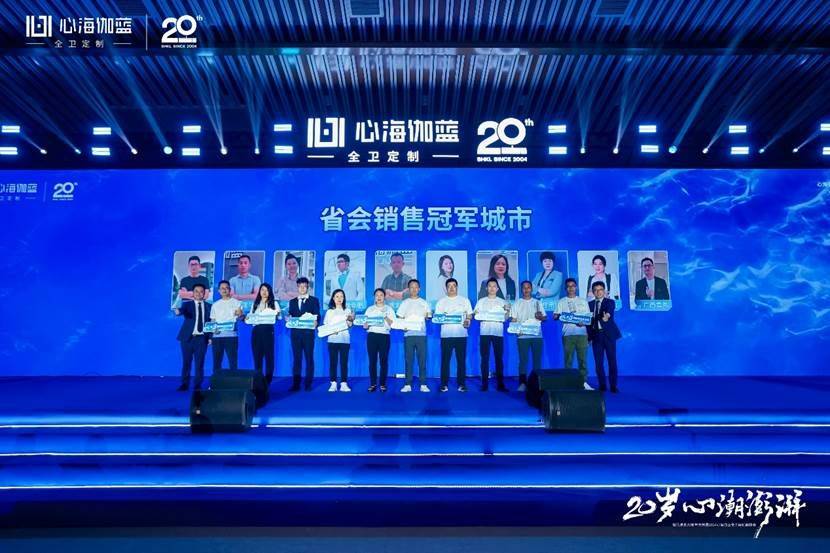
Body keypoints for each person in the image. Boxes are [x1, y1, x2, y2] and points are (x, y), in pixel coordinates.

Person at [435, 278, 473, 392]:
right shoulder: (441, 302)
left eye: (454, 286)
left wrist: (468, 320)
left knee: (461, 361)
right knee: (445, 361)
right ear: (446, 288)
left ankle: (461, 384)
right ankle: (443, 384)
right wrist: (443, 317)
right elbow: (437, 318)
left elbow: (469, 315)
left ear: (457, 287)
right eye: (449, 286)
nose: (451, 288)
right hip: (446, 335)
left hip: (461, 335)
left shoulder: (464, 300)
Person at [553, 278, 591, 388]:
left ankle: (583, 382)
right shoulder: (561, 301)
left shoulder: (583, 301)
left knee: (582, 360)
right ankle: (568, 382)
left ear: (576, 287)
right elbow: (555, 316)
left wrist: (584, 323)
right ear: (565, 288)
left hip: (582, 334)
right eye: (568, 286)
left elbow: (588, 318)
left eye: (573, 286)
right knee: (568, 360)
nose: (571, 288)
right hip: (567, 334)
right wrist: (558, 316)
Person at [474, 278, 510, 391]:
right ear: (486, 288)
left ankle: (500, 384)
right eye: (490, 286)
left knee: (499, 358)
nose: (492, 288)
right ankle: (484, 384)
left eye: (494, 286)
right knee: (484, 358)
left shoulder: (503, 302)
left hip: (498, 333)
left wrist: (508, 311)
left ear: (497, 288)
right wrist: (477, 314)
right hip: (484, 333)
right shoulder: (481, 301)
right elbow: (476, 315)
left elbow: (506, 318)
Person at [510, 280, 547, 392]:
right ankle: (522, 383)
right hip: (522, 337)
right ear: (521, 290)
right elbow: (513, 319)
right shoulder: (517, 303)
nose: (526, 290)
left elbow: (544, 318)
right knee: (523, 361)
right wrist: (516, 331)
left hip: (537, 336)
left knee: (537, 361)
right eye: (524, 288)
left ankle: (537, 384)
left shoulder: (537, 302)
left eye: (528, 287)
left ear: (531, 289)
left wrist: (541, 317)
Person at [396, 279, 431, 392]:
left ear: (419, 289)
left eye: (416, 287)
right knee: (408, 360)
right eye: (412, 287)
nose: (414, 289)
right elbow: (399, 318)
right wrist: (403, 325)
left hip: (421, 335)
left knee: (422, 360)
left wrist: (428, 316)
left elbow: (428, 316)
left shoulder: (424, 303)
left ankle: (423, 384)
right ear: (408, 289)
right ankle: (408, 384)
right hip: (408, 335)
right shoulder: (405, 303)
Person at [174, 283, 211, 391]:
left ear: (204, 293)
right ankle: (184, 383)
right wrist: (177, 312)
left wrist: (210, 337)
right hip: (187, 338)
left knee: (200, 363)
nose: (199, 293)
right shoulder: (187, 305)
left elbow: (211, 323)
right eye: (196, 291)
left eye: (201, 291)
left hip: (202, 338)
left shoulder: (209, 306)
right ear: (193, 293)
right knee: (186, 362)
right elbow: (180, 311)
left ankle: (197, 384)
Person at [588, 281, 622, 393]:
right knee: (598, 363)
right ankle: (602, 385)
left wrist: (606, 316)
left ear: (604, 291)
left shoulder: (610, 302)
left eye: (600, 289)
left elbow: (609, 312)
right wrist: (589, 338)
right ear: (593, 292)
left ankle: (613, 385)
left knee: (612, 361)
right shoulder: (589, 304)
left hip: (608, 335)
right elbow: (588, 322)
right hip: (596, 336)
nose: (598, 292)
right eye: (596, 290)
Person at [288, 277, 320, 391]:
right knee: (297, 359)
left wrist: (316, 321)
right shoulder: (292, 302)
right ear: (297, 287)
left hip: (308, 334)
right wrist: (288, 319)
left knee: (309, 358)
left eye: (304, 286)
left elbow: (317, 315)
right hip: (295, 335)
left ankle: (308, 384)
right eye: (300, 286)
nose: (302, 288)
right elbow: (291, 316)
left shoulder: (314, 300)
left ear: (308, 288)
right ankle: (296, 384)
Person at [364, 288, 395, 392]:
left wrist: (385, 317)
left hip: (384, 336)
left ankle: (382, 384)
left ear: (384, 297)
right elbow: (365, 324)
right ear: (374, 297)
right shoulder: (370, 309)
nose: (379, 297)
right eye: (377, 295)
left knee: (383, 361)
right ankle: (373, 384)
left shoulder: (389, 309)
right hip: (372, 336)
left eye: (381, 295)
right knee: (372, 361)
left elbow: (393, 324)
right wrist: (365, 325)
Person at [249, 283, 280, 385]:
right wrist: (246, 318)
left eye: (267, 290)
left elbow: (279, 317)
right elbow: (251, 318)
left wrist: (276, 314)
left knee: (269, 356)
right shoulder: (255, 303)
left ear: (269, 292)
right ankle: (258, 378)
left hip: (268, 330)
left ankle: (268, 379)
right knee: (257, 356)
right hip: (256, 331)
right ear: (259, 291)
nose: (264, 292)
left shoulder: (274, 303)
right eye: (262, 290)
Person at [210, 280, 244, 372]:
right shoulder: (215, 305)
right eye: (222, 288)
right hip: (217, 336)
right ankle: (216, 380)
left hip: (231, 336)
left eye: (226, 288)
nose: (224, 290)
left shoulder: (237, 303)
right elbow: (213, 321)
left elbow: (241, 318)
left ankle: (233, 379)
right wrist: (212, 333)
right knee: (217, 362)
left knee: (232, 361)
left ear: (230, 289)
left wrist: (241, 315)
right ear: (219, 290)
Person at [324, 289, 353, 392]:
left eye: (341, 296)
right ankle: (333, 384)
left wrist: (351, 319)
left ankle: (344, 383)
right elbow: (326, 326)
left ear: (344, 298)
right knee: (333, 363)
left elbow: (350, 325)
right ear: (333, 298)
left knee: (344, 363)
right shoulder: (329, 312)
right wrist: (332, 331)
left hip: (344, 340)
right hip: (332, 340)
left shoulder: (348, 311)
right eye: (337, 296)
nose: (339, 298)